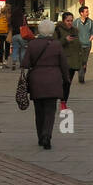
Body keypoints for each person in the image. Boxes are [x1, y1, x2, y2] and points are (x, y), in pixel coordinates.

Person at [21, 19, 65, 149]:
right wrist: (66, 79)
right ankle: (47, 135)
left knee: (39, 111)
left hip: (36, 81)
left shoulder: (33, 44)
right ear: (52, 31)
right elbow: (63, 64)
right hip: (53, 81)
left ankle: (40, 136)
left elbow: (25, 63)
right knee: (50, 111)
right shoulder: (57, 45)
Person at [54, 12, 82, 110]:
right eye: (68, 21)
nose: (70, 23)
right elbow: (54, 45)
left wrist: (82, 61)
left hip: (73, 62)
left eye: (71, 20)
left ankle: (64, 101)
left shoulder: (75, 31)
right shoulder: (58, 30)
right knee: (63, 82)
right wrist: (65, 40)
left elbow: (79, 46)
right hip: (63, 61)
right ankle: (61, 101)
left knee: (68, 83)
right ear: (63, 20)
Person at [74, 5, 93, 84]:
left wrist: (89, 40)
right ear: (81, 13)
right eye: (86, 12)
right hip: (78, 45)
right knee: (79, 60)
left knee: (84, 61)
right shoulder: (76, 22)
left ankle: (82, 75)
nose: (88, 13)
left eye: (88, 11)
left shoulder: (90, 22)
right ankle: (80, 75)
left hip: (87, 46)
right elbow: (73, 33)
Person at [9, 4, 27, 71]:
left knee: (15, 49)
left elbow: (10, 25)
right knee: (23, 49)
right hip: (22, 35)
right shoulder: (22, 17)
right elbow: (26, 25)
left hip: (14, 35)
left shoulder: (12, 17)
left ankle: (14, 62)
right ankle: (22, 64)